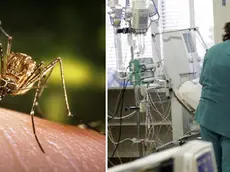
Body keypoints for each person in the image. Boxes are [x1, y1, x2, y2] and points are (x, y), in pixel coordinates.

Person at [195, 22, 230, 172]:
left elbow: (203, 81)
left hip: (208, 117)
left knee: (212, 166)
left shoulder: (212, 51)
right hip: (227, 120)